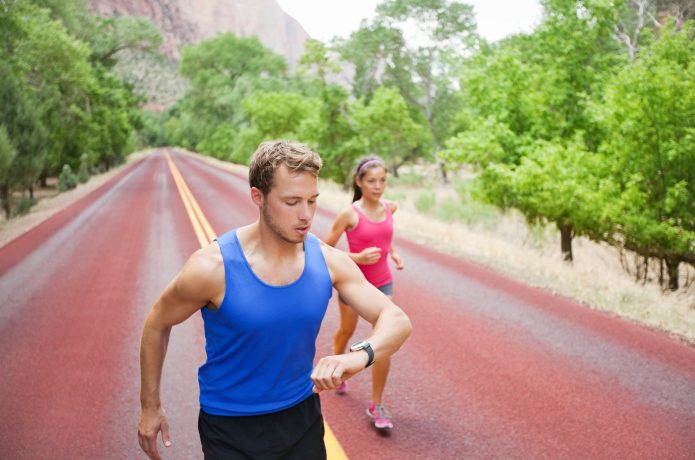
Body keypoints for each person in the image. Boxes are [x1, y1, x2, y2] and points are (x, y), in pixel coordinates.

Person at [137, 141, 412, 460]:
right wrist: (150, 405)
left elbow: (397, 320)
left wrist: (357, 357)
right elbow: (157, 322)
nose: (306, 215)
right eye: (292, 201)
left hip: (302, 418)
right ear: (258, 197)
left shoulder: (327, 260)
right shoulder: (212, 268)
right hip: (230, 426)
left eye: (312, 201)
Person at [323, 156, 404, 431]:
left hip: (383, 283)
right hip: (354, 285)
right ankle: (338, 366)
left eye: (382, 180)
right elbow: (326, 249)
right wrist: (356, 257)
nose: (378, 186)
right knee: (346, 332)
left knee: (384, 340)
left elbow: (385, 236)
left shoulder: (390, 207)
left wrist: (392, 253)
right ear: (359, 182)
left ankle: (376, 403)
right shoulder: (350, 214)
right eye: (372, 181)